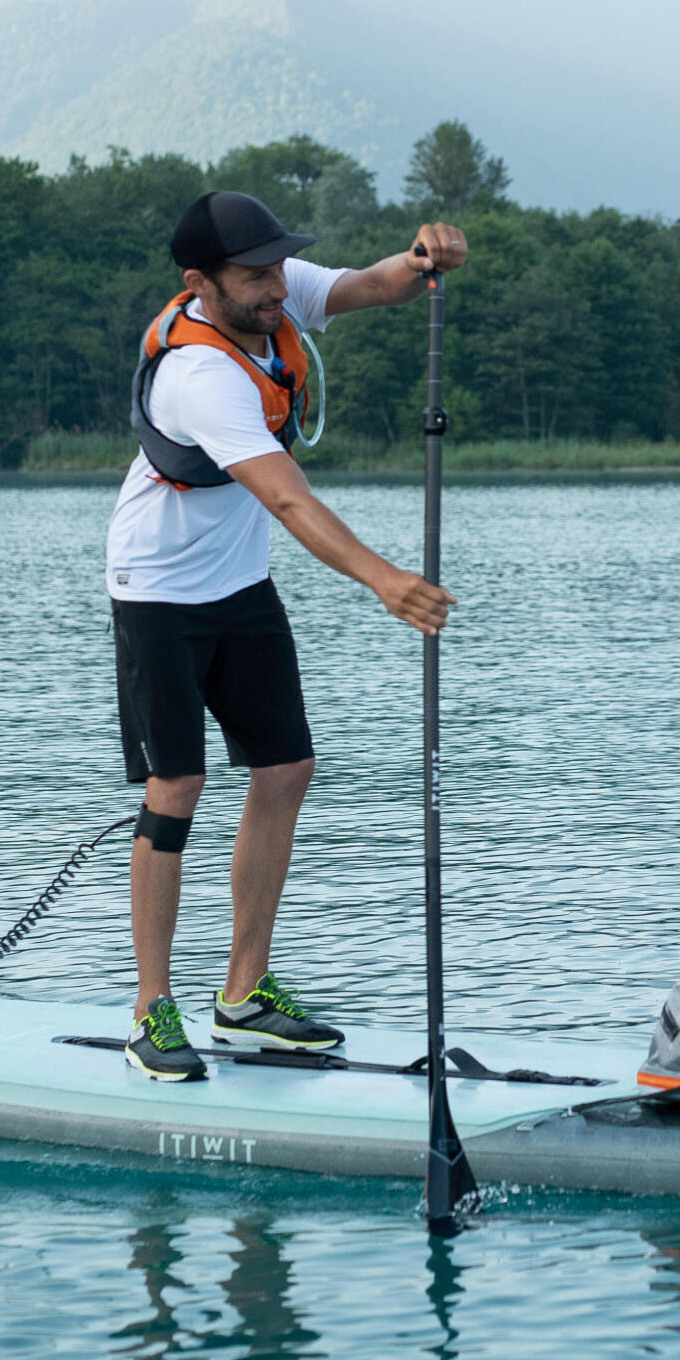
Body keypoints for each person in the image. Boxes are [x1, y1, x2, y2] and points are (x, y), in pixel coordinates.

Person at [106, 188, 467, 1081]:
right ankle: (152, 1009)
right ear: (200, 283)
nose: (277, 285)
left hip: (238, 581)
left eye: (277, 267)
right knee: (177, 784)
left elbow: (367, 285)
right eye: (255, 273)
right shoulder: (202, 376)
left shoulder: (271, 294)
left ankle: (243, 994)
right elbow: (286, 496)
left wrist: (419, 262)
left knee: (285, 767)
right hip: (156, 588)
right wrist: (384, 578)